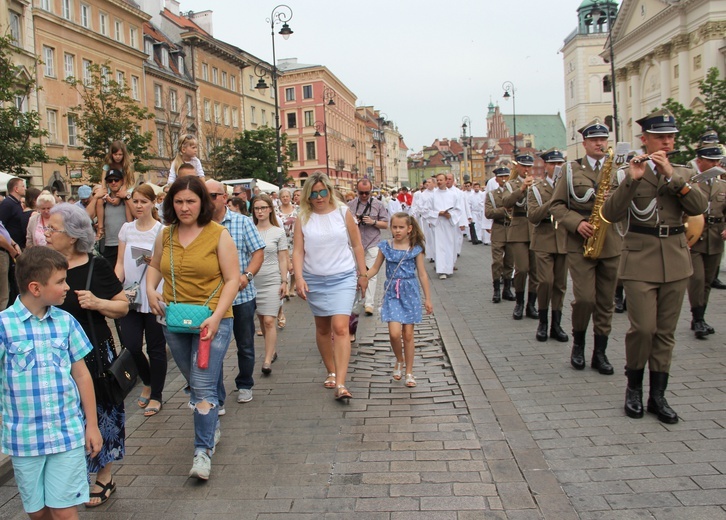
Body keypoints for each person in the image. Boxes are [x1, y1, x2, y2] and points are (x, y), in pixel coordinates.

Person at [602, 109, 708, 423]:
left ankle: (657, 395)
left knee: (665, 332)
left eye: (671, 136)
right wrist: (632, 182)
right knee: (643, 329)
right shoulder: (627, 173)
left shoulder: (683, 172)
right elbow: (611, 212)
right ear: (645, 139)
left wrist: (672, 178)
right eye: (661, 136)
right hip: (639, 258)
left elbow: (699, 206)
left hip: (675, 258)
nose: (667, 141)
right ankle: (633, 388)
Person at [146, 177, 240, 480]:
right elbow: (153, 266)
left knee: (200, 386)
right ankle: (211, 424)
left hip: (212, 322)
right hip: (174, 319)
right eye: (178, 201)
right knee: (195, 382)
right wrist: (150, 289)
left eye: (190, 201)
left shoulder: (218, 235)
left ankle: (202, 453)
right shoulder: (165, 234)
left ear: (202, 202)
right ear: (170, 204)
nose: (184, 207)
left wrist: (216, 316)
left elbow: (232, 280)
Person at [0, 247, 102, 519]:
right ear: (35, 287)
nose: (67, 287)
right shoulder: (4, 326)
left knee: (64, 512)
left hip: (65, 434)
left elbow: (82, 375)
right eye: (60, 281)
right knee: (38, 513)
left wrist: (91, 425)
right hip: (24, 439)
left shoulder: (65, 322)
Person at [44, 203, 129, 507]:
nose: (47, 232)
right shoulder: (46, 265)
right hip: (53, 354)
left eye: (53, 228)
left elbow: (122, 306)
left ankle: (104, 475)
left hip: (94, 352)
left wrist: (97, 303)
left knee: (102, 413)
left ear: (72, 235)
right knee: (67, 415)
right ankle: (71, 470)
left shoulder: (96, 266)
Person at [550, 119, 622, 375]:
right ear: (585, 143)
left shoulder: (618, 171)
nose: (599, 144)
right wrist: (577, 222)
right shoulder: (571, 170)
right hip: (580, 243)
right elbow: (556, 205)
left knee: (605, 301)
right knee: (584, 299)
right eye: (594, 140)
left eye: (603, 139)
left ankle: (599, 353)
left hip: (611, 243)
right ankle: (578, 344)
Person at [292, 172, 368, 402]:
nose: (319, 197)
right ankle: (332, 371)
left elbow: (357, 245)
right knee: (323, 328)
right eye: (314, 193)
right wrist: (298, 277)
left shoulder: (343, 213)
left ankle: (342, 383)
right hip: (314, 278)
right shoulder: (303, 217)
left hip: (342, 277)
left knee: (341, 327)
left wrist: (363, 273)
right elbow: (298, 250)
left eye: (323, 192)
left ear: (329, 191)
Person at [205, 180, 264, 405]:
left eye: (213, 195)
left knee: (245, 343)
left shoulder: (242, 222)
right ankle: (216, 395)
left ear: (224, 198)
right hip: (212, 298)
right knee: (212, 348)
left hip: (241, 295)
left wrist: (246, 276)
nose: (209, 200)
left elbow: (258, 252)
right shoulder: (200, 225)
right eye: (205, 195)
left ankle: (245, 383)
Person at [114, 184, 166, 417]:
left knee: (156, 348)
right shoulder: (126, 228)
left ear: (153, 203)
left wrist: (147, 259)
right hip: (131, 294)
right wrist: (115, 287)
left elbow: (163, 265)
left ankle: (157, 394)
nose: (138, 206)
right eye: (135, 201)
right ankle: (147, 380)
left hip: (153, 293)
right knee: (132, 345)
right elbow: (120, 263)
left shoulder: (161, 230)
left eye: (143, 201)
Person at [365, 212, 432, 387]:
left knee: (408, 334)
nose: (397, 230)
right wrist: (363, 277)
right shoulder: (385, 246)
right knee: (394, 333)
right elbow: (375, 268)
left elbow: (422, 274)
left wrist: (428, 299)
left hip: (410, 292)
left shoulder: (415, 248)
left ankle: (409, 372)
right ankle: (399, 359)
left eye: (401, 227)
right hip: (392, 293)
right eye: (394, 227)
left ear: (409, 229)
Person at [528, 148, 569, 342]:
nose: (557, 168)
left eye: (560, 164)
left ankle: (556, 324)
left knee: (560, 285)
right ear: (546, 166)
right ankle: (543, 322)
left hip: (564, 238)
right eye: (553, 164)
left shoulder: (569, 187)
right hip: (544, 237)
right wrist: (552, 202)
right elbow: (533, 215)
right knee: (545, 282)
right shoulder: (537, 188)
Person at [686, 138, 726, 338]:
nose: (716, 165)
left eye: (718, 161)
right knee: (697, 279)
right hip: (695, 238)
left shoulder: (722, 184)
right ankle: (698, 317)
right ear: (700, 161)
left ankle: (699, 318)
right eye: (711, 161)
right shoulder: (692, 183)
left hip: (715, 237)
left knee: (708, 280)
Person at [252, 194, 288, 374]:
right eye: (257, 208)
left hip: (272, 279)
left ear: (269, 209)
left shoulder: (278, 231)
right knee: (261, 319)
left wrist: (284, 280)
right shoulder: (249, 229)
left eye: (263, 208)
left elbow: (283, 258)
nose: (260, 211)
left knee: (268, 320)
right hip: (253, 281)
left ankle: (267, 360)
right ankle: (271, 349)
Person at [502, 154, 538, 319]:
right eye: (524, 166)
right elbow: (507, 202)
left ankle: (531, 304)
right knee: (522, 269)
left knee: (536, 271)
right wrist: (522, 188)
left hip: (536, 229)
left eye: (529, 166)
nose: (527, 170)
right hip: (518, 229)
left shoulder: (538, 184)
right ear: (518, 168)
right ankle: (519, 303)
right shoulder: (511, 184)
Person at [348, 179, 388, 316]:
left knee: (371, 273)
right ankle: (358, 300)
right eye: (361, 193)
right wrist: (355, 221)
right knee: (356, 273)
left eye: (367, 193)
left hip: (372, 242)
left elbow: (386, 224)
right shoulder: (350, 205)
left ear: (371, 191)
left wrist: (373, 222)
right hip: (355, 243)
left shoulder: (378, 204)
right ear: (356, 191)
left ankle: (369, 303)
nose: (364, 195)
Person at [485, 166, 516, 303]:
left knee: (510, 261)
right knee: (497, 261)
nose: (504, 179)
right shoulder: (491, 194)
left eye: (506, 176)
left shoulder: (514, 193)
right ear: (496, 179)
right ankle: (496, 289)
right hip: (498, 228)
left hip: (512, 229)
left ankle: (507, 289)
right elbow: (488, 213)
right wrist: (504, 210)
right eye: (501, 177)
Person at [95, 168, 132, 268]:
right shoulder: (103, 202)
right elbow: (87, 216)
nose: (113, 183)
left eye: (116, 180)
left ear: (122, 181)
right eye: (110, 181)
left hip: (126, 244)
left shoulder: (127, 198)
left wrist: (126, 197)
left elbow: (136, 214)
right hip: (108, 245)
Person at [427, 173, 461, 279]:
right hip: (438, 223)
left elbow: (458, 209)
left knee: (449, 245)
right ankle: (441, 269)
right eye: (437, 180)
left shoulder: (453, 195)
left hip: (449, 223)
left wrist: (450, 214)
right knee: (439, 245)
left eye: (441, 180)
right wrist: (438, 213)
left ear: (446, 181)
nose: (439, 182)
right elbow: (427, 210)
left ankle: (449, 268)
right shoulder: (433, 195)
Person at [276, 188, 298, 299]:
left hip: (294, 239)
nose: (285, 198)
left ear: (290, 197)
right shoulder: (276, 210)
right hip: (281, 239)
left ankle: (292, 287)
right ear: (280, 198)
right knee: (284, 262)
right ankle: (286, 284)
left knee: (294, 263)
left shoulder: (297, 209)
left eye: (287, 196)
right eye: (283, 196)